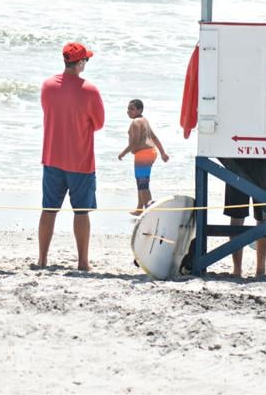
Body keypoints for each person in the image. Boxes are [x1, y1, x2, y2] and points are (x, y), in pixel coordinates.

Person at [38, 42, 105, 271]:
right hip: (80, 160)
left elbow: (49, 112)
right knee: (82, 212)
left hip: (52, 157)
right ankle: (83, 262)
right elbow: (98, 124)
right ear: (80, 63)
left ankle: (42, 260)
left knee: (49, 209)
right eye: (86, 59)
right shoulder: (89, 90)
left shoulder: (47, 86)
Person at [220, 157, 266, 279]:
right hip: (249, 159)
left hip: (246, 159)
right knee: (243, 217)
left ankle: (253, 270)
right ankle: (247, 270)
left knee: (258, 217)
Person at [118, 99, 169, 215]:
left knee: (142, 184)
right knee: (141, 182)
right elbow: (154, 138)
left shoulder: (136, 122)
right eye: (128, 109)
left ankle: (149, 210)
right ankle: (139, 208)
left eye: (132, 109)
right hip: (151, 152)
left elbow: (134, 143)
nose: (128, 111)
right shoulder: (144, 120)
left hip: (143, 155)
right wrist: (162, 153)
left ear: (139, 110)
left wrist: (123, 153)